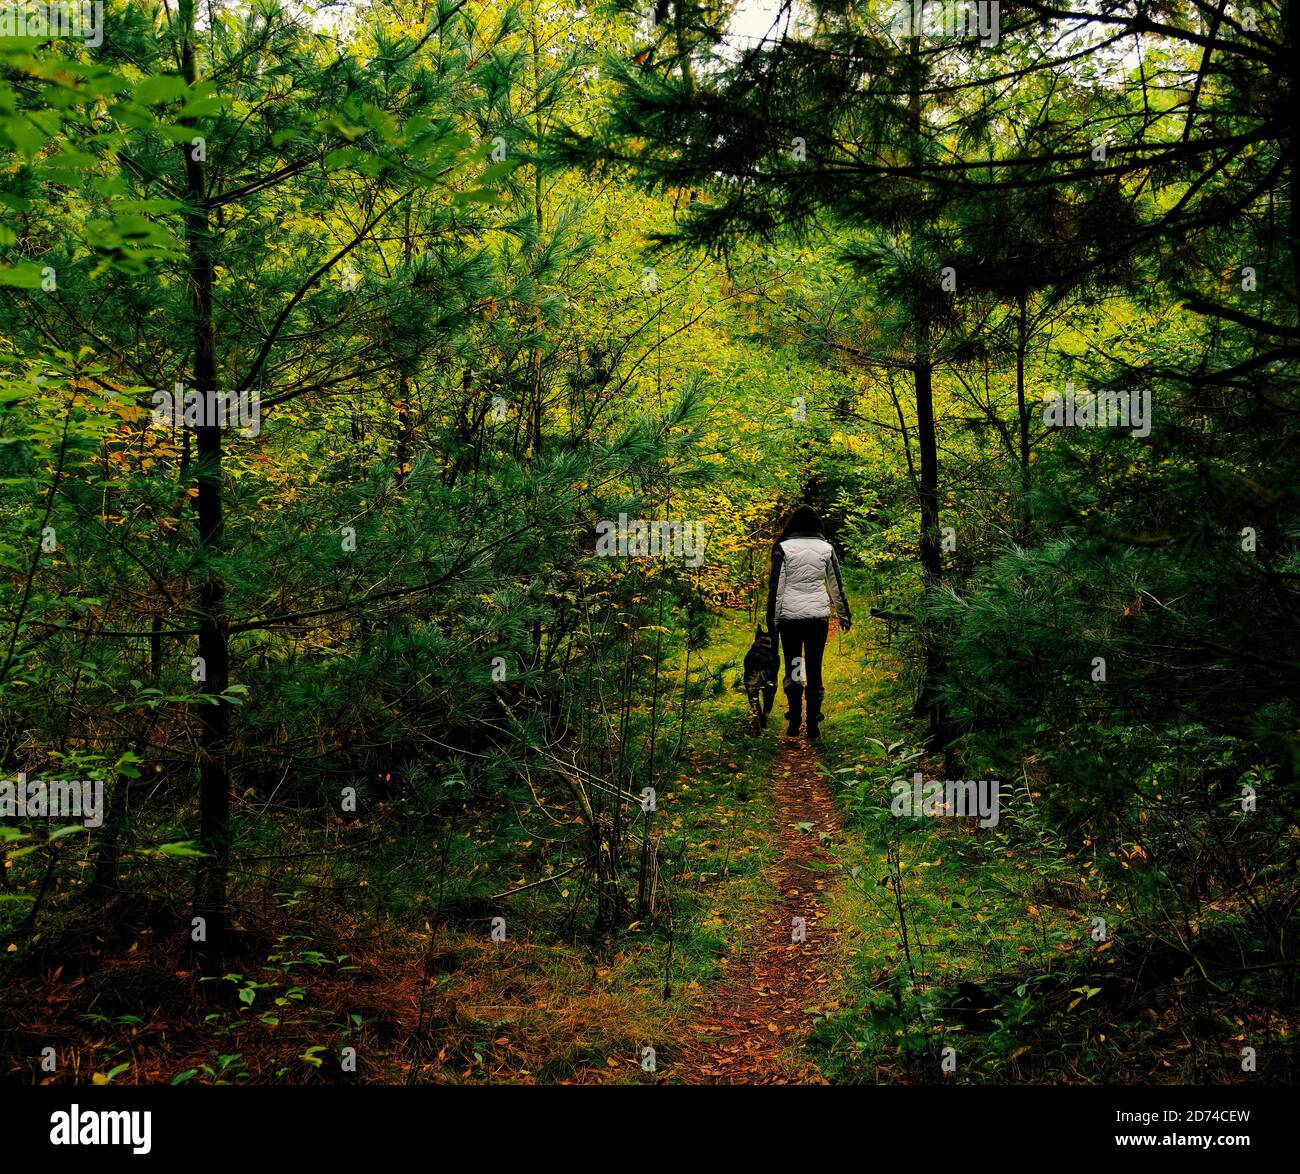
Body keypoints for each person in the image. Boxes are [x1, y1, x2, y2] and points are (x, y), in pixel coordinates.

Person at [764, 504, 851, 739]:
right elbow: (836, 585)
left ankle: (794, 719)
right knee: (814, 666)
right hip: (817, 618)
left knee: (794, 665)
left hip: (790, 619)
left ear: (793, 524)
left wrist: (772, 622)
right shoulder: (826, 548)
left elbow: (776, 589)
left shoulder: (783, 548)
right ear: (816, 525)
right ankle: (813, 723)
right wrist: (844, 615)